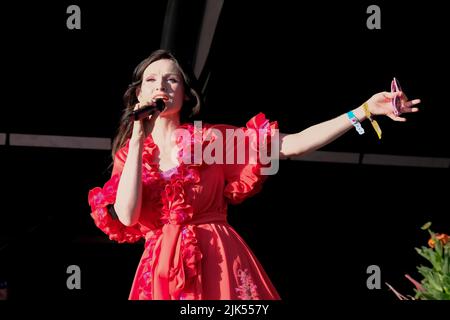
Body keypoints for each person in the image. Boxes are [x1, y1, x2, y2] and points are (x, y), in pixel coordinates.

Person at [88, 49, 420, 300]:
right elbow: (128, 216)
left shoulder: (212, 140)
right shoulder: (129, 155)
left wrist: (361, 111)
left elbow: (292, 145)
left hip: (216, 258)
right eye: (151, 79)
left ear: (186, 94)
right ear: (139, 95)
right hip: (160, 268)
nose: (161, 85)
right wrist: (136, 137)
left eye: (171, 78)